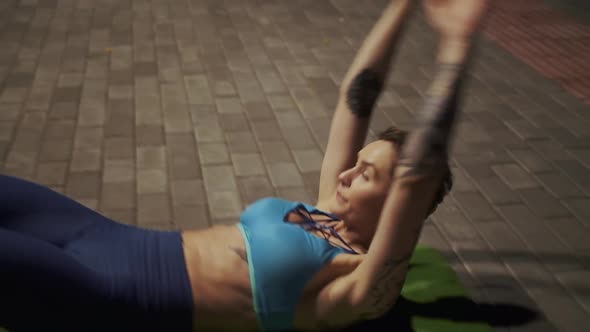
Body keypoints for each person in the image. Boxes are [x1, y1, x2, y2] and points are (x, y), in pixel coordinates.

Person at [0, 0, 490, 331]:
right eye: (357, 164)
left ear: (400, 201)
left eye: (366, 175)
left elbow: (417, 176)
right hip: (103, 236)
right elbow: (356, 97)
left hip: (110, 292)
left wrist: (457, 46)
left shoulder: (357, 281)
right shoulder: (327, 211)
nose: (345, 174)